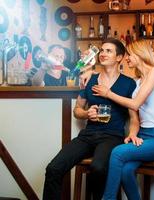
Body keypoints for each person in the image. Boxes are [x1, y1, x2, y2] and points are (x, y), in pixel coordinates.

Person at [42, 38, 137, 200]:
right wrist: (86, 114)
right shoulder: (90, 80)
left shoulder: (128, 83)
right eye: (102, 50)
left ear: (119, 57)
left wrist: (133, 134)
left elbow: (134, 116)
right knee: (53, 168)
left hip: (112, 136)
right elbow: (77, 110)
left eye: (109, 51)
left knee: (98, 167)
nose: (103, 54)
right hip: (88, 135)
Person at [90, 39, 154, 200]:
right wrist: (133, 134)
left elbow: (135, 103)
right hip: (143, 137)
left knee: (117, 152)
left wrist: (108, 93)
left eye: (129, 54)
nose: (126, 58)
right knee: (126, 170)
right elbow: (134, 116)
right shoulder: (136, 82)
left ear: (139, 53)